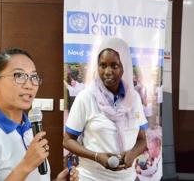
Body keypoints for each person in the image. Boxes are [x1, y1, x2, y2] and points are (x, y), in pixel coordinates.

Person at [0, 48, 78, 181]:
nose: (29, 85)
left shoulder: (30, 129)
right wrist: (26, 165)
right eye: (19, 76)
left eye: (34, 77)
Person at [63, 38, 148, 181]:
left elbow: (142, 140)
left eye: (114, 65)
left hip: (127, 177)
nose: (107, 72)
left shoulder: (134, 99)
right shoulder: (86, 97)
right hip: (92, 177)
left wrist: (132, 154)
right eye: (102, 65)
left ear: (124, 67)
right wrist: (97, 157)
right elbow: (67, 141)